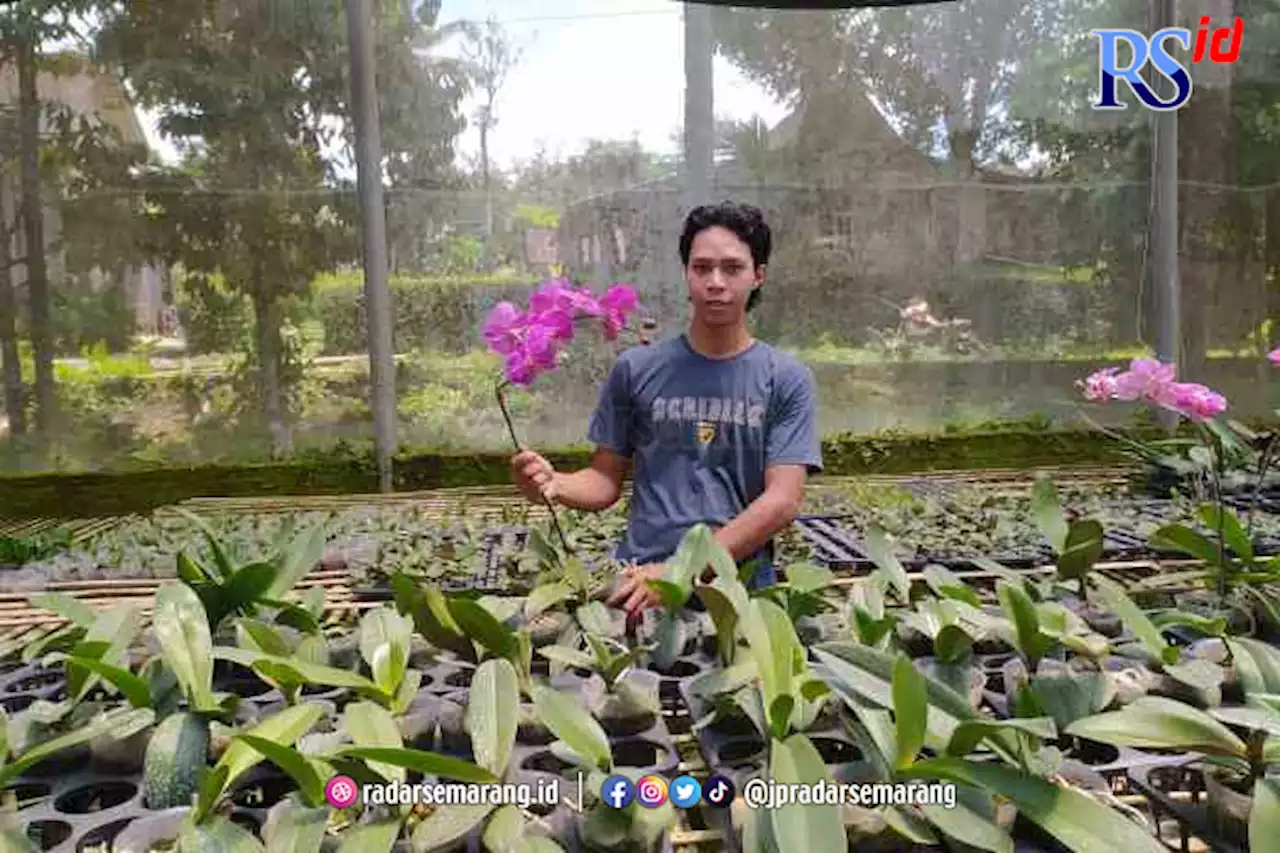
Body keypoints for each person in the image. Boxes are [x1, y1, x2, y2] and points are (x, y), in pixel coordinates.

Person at [509, 201, 823, 625]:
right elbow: (604, 480)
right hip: (639, 581)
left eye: (732, 268)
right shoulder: (636, 370)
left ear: (758, 275)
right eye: (702, 267)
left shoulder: (786, 378)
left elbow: (781, 501)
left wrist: (680, 573)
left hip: (736, 587)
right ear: (686, 273)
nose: (715, 282)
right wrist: (554, 483)